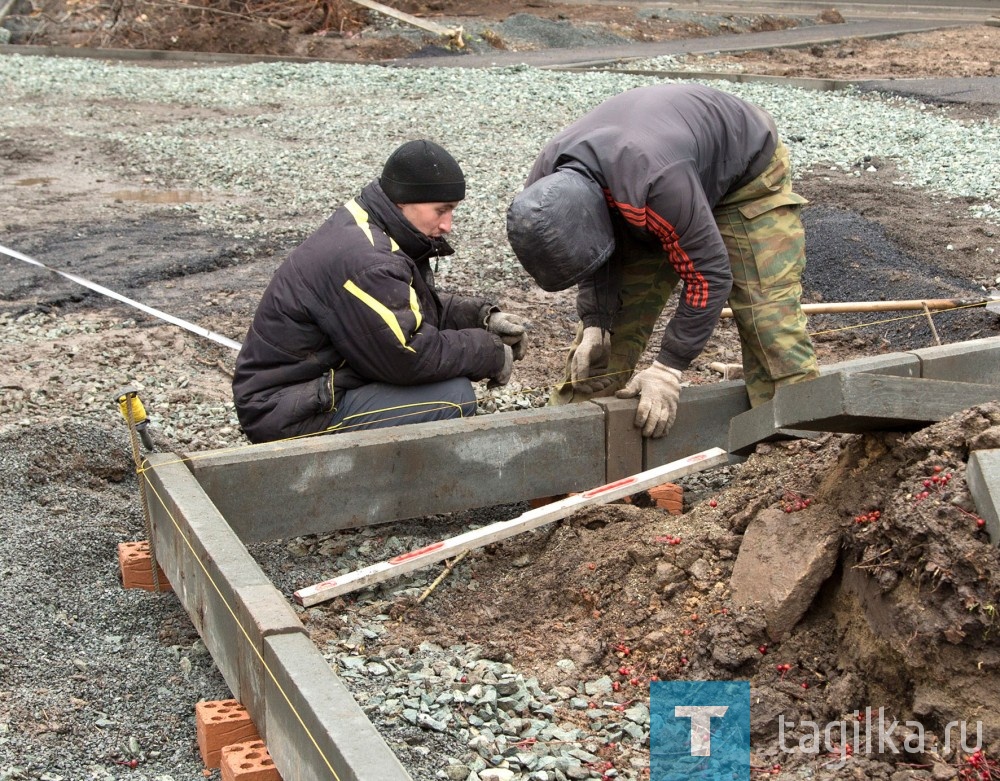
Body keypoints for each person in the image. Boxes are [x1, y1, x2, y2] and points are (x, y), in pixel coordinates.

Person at [506, 82, 819, 439]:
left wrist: (668, 368)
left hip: (743, 173)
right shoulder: (545, 189)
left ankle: (797, 447)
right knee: (607, 340)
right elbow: (595, 254)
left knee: (767, 318)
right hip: (652, 178)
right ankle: (569, 447)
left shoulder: (656, 185)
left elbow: (710, 277)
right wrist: (596, 320)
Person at [233, 139, 528, 444]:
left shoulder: (367, 223)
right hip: (286, 411)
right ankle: (374, 486)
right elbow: (408, 357)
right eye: (442, 210)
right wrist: (489, 352)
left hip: (306, 390)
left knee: (446, 378)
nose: (448, 225)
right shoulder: (367, 262)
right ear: (404, 199)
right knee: (452, 396)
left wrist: (480, 319)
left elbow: (403, 309)